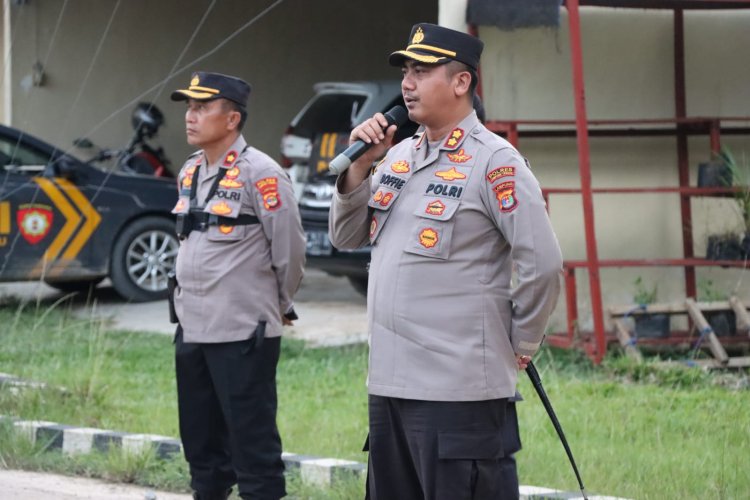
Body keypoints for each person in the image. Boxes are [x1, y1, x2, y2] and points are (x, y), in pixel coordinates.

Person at [328, 24, 562, 499]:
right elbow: (345, 235)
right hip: (391, 388)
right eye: (406, 72)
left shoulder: (495, 162)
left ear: (462, 83)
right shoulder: (396, 159)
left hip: (458, 394)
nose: (407, 83)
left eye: (422, 71)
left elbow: (542, 263)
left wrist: (521, 340)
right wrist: (359, 166)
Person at [169, 71, 306, 500]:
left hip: (243, 333)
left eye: (202, 108)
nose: (190, 117)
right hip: (192, 329)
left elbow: (290, 252)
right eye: (189, 108)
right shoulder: (189, 171)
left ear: (231, 119)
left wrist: (275, 304)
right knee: (201, 445)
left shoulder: (262, 174)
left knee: (253, 448)